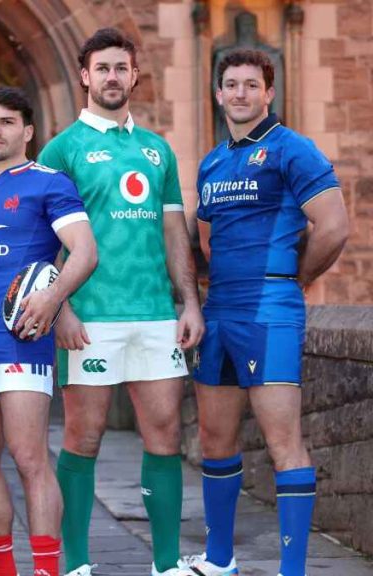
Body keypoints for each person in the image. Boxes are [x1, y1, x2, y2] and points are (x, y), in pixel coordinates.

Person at [36, 28, 205, 576]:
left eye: (121, 68)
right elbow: (40, 241)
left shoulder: (158, 148)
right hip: (91, 316)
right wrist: (60, 307)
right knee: (83, 437)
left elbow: (174, 230)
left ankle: (166, 563)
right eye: (102, 68)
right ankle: (78, 564)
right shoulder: (62, 149)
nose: (112, 77)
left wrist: (190, 302)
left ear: (135, 75)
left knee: (165, 435)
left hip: (156, 313)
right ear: (85, 76)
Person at [181, 49, 348, 576]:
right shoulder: (212, 161)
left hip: (271, 310)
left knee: (283, 443)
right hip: (220, 311)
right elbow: (204, 239)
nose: (240, 94)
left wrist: (297, 279)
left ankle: (293, 570)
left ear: (268, 92)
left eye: (251, 85)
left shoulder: (291, 149)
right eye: (231, 85)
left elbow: (335, 227)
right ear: (218, 93)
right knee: (214, 438)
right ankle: (219, 560)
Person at [0, 86, 98, 576]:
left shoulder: (48, 183)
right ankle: (1, 568)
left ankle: (48, 570)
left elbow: (85, 252)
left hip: (22, 343)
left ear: (27, 131)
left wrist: (52, 302)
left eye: (6, 122)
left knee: (30, 457)